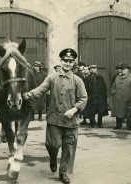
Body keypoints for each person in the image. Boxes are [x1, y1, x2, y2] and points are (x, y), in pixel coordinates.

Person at [23, 48, 87, 184]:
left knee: (68, 148)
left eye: (70, 61)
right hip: (54, 120)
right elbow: (41, 89)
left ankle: (62, 173)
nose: (68, 63)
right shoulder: (52, 78)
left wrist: (74, 109)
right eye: (65, 60)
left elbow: (83, 98)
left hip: (71, 121)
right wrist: (29, 94)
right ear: (61, 61)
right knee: (52, 144)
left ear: (73, 63)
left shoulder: (77, 81)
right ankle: (53, 157)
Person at [111, 63, 131, 130]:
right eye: (121, 69)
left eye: (124, 69)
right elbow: (113, 86)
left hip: (128, 99)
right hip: (118, 98)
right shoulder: (118, 77)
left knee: (129, 113)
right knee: (118, 113)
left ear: (127, 70)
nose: (122, 71)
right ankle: (118, 125)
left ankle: (128, 126)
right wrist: (114, 93)